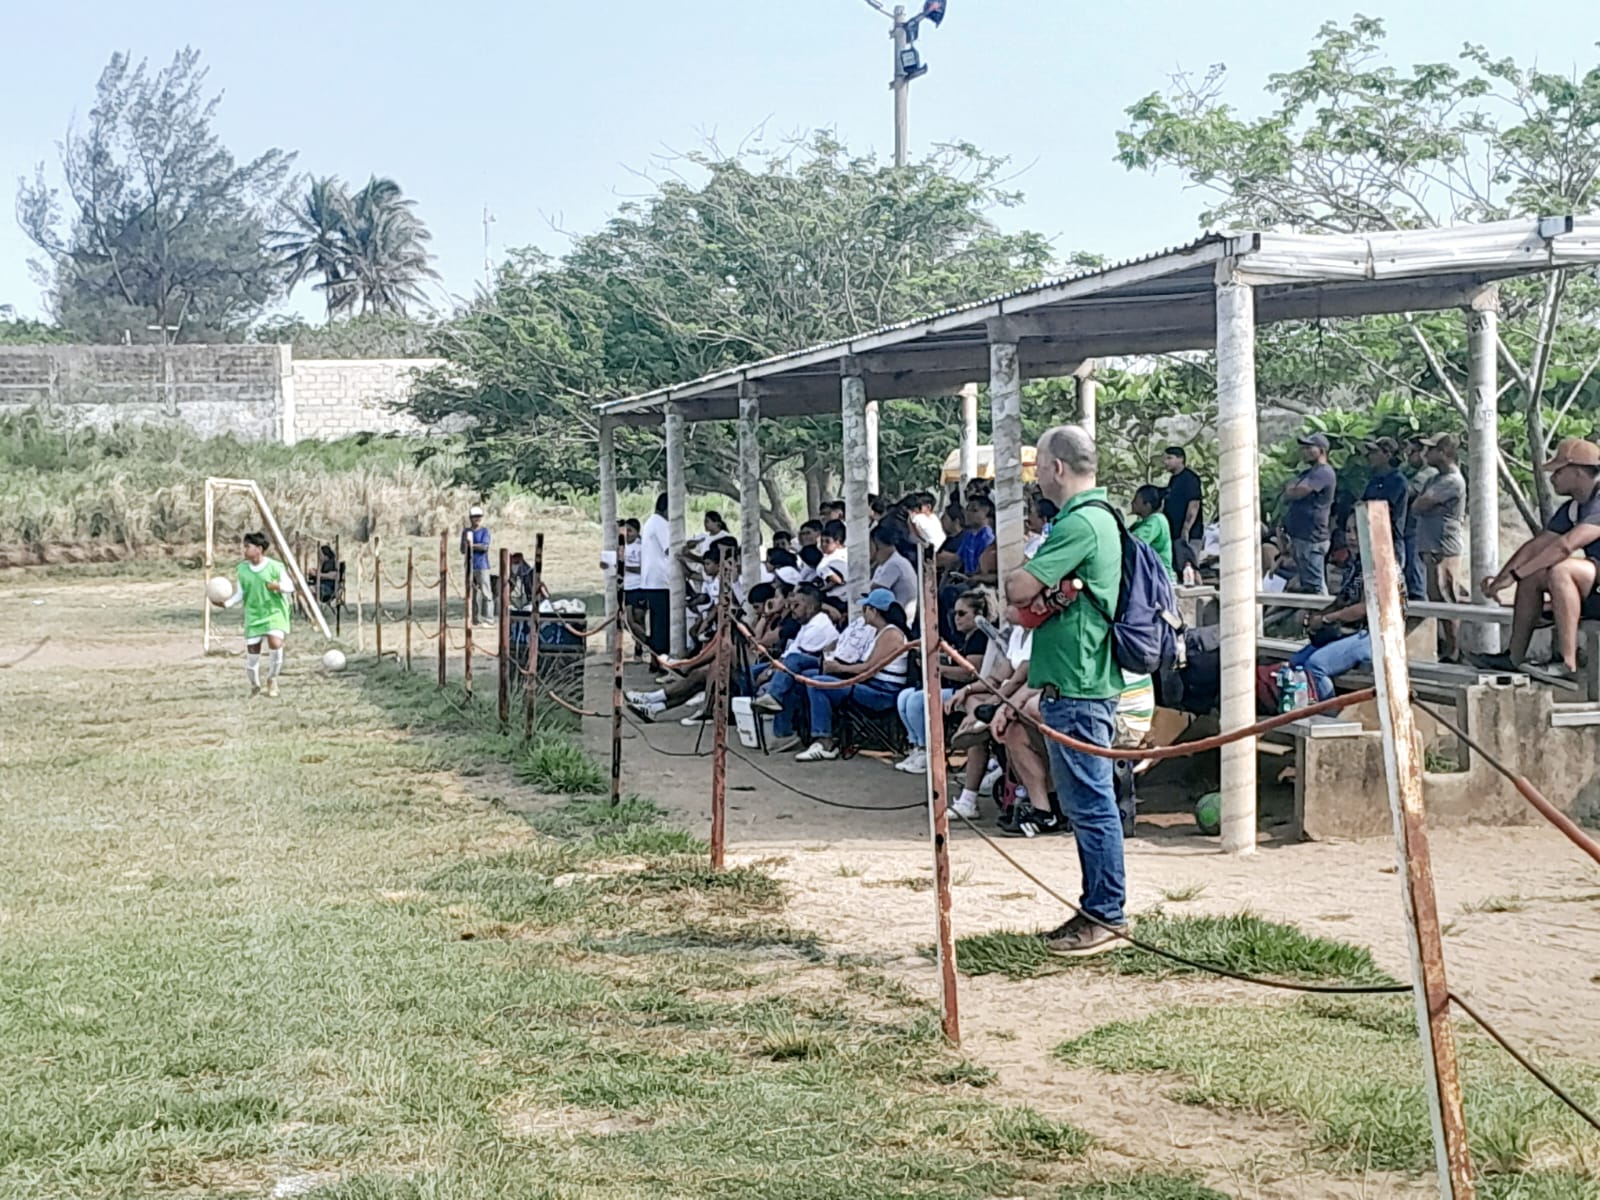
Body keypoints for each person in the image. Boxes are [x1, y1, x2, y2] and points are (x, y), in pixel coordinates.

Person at [1005, 423, 1127, 956]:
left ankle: (1105, 914)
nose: (1037, 477)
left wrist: (1039, 585)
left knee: (1091, 804)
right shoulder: (1090, 521)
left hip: (1080, 682)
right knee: (1084, 804)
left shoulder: (1081, 524)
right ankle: (1097, 909)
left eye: (1038, 466)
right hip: (1070, 679)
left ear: (1056, 468)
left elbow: (1016, 588)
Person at [1478, 437, 1600, 686]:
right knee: (1534, 575)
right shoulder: (1574, 507)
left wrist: (1516, 575)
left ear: (1577, 472)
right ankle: (1513, 657)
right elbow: (1536, 545)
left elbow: (1566, 546)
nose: (1552, 478)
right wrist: (1502, 580)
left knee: (1560, 571)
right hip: (1595, 584)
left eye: (1557, 472)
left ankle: (1567, 663)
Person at [793, 588, 912, 762]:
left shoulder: (891, 634)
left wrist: (839, 668)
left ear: (874, 611)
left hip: (881, 692)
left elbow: (869, 668)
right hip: (870, 685)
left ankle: (824, 740)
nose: (863, 613)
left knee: (817, 683)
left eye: (866, 609)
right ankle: (818, 732)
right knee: (810, 675)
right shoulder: (879, 632)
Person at [894, 587, 992, 775]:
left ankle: (927, 751)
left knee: (917, 701)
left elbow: (969, 673)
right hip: (957, 690)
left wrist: (937, 669)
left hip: (970, 691)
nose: (957, 618)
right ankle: (917, 746)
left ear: (979, 615)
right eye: (955, 613)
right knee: (905, 696)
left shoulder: (980, 637)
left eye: (962, 613)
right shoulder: (966, 637)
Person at [1286, 511, 1373, 701]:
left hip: (1373, 636)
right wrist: (1316, 617)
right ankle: (1304, 710)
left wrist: (1328, 618)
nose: (1351, 537)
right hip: (1350, 632)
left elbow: (1366, 607)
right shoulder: (1355, 565)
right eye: (1349, 531)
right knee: (1296, 662)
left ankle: (1328, 717)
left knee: (1316, 665)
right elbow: (1341, 601)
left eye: (1357, 531)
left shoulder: (1379, 565)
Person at [216, 531, 294, 699]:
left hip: (274, 612)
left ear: (259, 549)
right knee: (252, 653)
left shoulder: (275, 567)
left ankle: (272, 679)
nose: (244, 550)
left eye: (247, 546)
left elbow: (290, 586)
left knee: (275, 642)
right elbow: (240, 593)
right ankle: (255, 684)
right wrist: (226, 603)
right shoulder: (243, 569)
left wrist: (278, 586)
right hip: (254, 615)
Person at [1411, 434, 1467, 661]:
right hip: (1432, 546)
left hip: (1444, 547)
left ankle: (1455, 650)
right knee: (1438, 598)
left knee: (1447, 598)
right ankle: (1449, 649)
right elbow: (1418, 506)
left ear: (1443, 452)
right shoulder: (1434, 479)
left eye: (1431, 449)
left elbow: (1421, 503)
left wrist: (1423, 504)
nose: (1426, 454)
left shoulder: (1452, 481)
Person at [1281, 433, 1337, 593]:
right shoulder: (1309, 473)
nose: (1304, 451)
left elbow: (1297, 492)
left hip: (1313, 537)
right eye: (1303, 448)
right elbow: (1287, 490)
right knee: (1307, 584)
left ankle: (1325, 615)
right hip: (1302, 536)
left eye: (1309, 448)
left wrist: (1291, 489)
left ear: (1321, 450)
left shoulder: (1324, 472)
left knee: (1316, 585)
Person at [1358, 437, 1409, 567]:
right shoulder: (1374, 479)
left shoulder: (1397, 481)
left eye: (1375, 452)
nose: (1369, 456)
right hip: (1372, 538)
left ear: (1388, 454)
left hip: (1390, 540)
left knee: (1391, 583)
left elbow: (1382, 508)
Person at [1402, 437, 1438, 601]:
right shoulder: (1418, 473)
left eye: (1410, 453)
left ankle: (1419, 606)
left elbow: (1408, 492)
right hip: (1413, 528)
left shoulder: (1428, 474)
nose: (1408, 458)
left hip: (1418, 529)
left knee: (1416, 570)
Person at [637, 493, 673, 656]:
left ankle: (655, 656)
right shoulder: (661, 524)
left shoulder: (651, 522)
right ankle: (660, 657)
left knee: (656, 621)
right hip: (660, 579)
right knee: (662, 623)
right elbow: (669, 549)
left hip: (650, 579)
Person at [1161, 446, 1204, 575]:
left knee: (1190, 568)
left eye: (1170, 458)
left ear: (1181, 459)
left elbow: (1194, 504)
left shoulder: (1190, 478)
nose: (1166, 462)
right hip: (1174, 532)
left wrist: (1186, 529)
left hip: (1188, 534)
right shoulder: (1173, 480)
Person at [869, 523, 918, 622]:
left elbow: (874, 592)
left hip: (901, 620)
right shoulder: (883, 565)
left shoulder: (895, 564)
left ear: (876, 544)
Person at [1129, 485, 1175, 578]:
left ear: (1147, 505)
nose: (1132, 503)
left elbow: (1133, 541)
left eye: (1136, 500)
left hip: (1159, 576)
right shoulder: (1142, 522)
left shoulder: (1156, 520)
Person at [460, 506, 493, 626]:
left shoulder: (485, 531)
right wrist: (469, 545)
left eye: (479, 516)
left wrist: (471, 545)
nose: (477, 519)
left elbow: (484, 547)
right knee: (473, 594)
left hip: (482, 565)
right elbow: (463, 549)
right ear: (470, 518)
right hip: (469, 565)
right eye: (475, 517)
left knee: (486, 593)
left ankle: (489, 618)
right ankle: (475, 618)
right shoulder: (466, 532)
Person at [816, 520, 850, 601]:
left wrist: (819, 591)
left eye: (827, 541)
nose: (823, 544)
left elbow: (836, 580)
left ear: (837, 541)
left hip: (836, 598)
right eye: (822, 541)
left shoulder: (835, 558)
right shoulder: (845, 551)